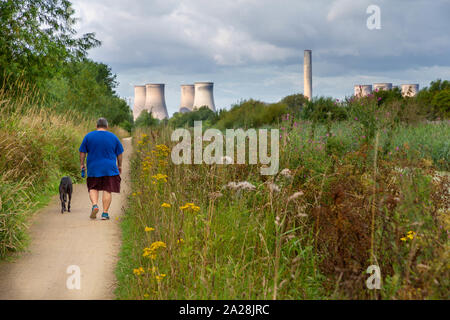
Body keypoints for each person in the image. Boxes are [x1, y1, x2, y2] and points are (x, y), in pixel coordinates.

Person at [79, 118, 124, 220]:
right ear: (107, 126)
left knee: (93, 187)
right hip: (110, 168)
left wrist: (82, 164)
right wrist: (119, 165)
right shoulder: (113, 137)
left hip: (93, 167)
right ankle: (105, 213)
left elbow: (82, 151)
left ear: (96, 126)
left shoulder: (88, 136)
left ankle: (95, 205)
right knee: (107, 189)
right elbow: (119, 153)